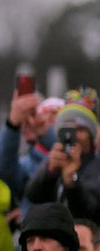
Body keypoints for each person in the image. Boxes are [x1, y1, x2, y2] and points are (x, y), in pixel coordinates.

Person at [27, 90, 100, 221]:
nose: (74, 136)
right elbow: (33, 196)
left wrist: (71, 183)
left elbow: (90, 212)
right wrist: (49, 172)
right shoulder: (56, 159)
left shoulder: (97, 167)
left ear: (91, 136)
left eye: (81, 130)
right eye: (68, 129)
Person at [0, 89, 63, 213]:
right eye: (25, 117)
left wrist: (45, 132)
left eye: (52, 117)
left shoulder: (76, 161)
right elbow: (2, 171)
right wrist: (12, 124)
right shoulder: (27, 165)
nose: (31, 122)